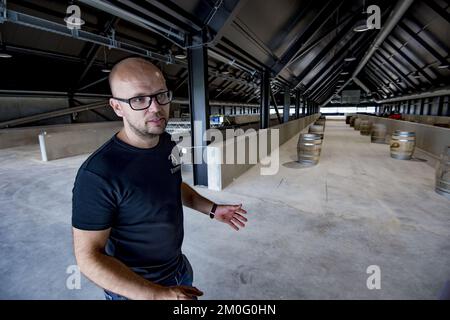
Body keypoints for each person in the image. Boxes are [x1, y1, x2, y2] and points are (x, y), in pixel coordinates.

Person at [71, 57, 248, 300]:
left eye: (160, 95)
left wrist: (212, 209)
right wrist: (156, 295)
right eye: (139, 99)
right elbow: (88, 258)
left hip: (179, 271)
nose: (155, 107)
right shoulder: (98, 174)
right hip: (136, 289)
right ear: (117, 107)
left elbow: (173, 185)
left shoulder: (167, 142)